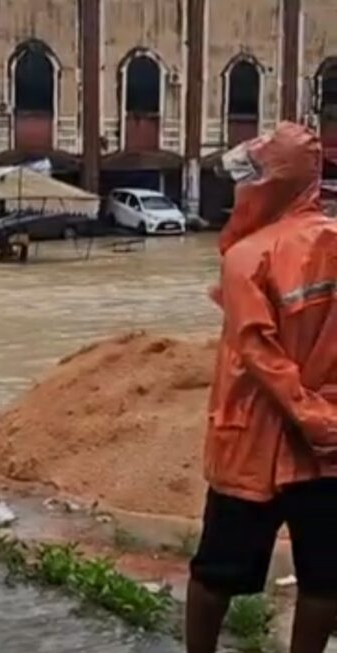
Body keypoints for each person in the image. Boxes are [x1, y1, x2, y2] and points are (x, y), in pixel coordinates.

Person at [186, 122, 337, 653]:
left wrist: (308, 415)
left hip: (253, 440)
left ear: (269, 183)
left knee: (216, 571)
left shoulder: (245, 257)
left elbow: (258, 351)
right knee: (326, 575)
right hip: (326, 446)